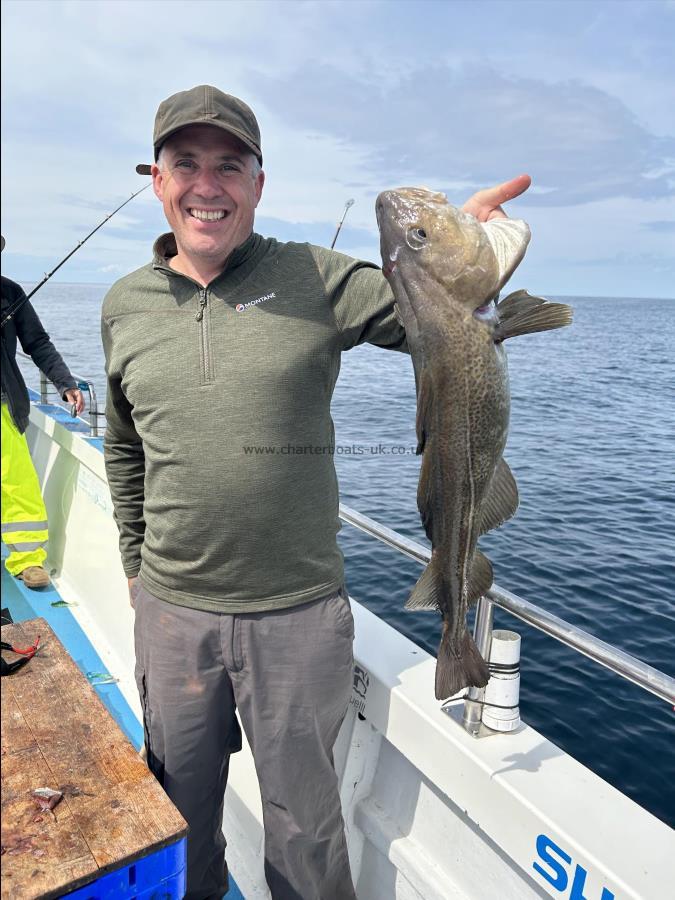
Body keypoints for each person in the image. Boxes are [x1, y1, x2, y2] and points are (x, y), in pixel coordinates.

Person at [102, 84, 531, 900]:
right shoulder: (123, 304)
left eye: (229, 166)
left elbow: (435, 319)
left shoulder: (314, 273)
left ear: (258, 184)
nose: (207, 185)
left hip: (296, 614)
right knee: (174, 811)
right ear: (155, 179)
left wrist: (466, 253)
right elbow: (124, 449)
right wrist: (131, 565)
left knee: (305, 828)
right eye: (185, 163)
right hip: (171, 611)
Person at [1, 241, 85, 588]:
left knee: (17, 482)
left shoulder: (10, 292)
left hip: (2, 402)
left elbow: (37, 343)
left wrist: (65, 382)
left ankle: (27, 558)